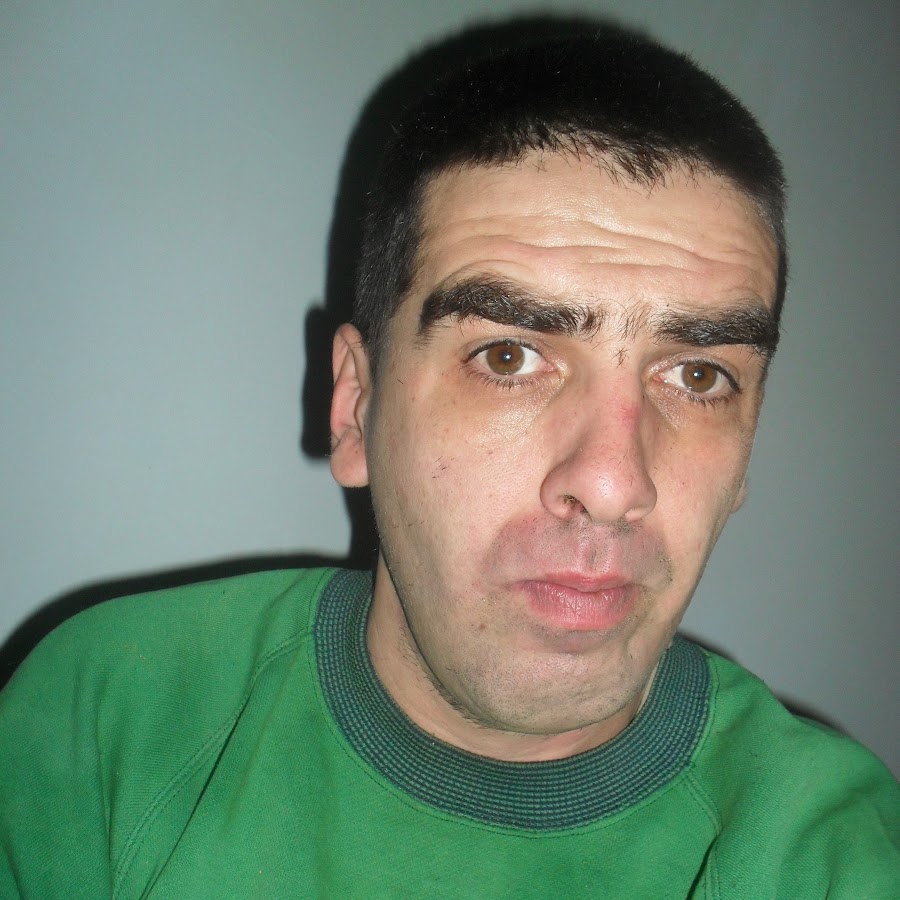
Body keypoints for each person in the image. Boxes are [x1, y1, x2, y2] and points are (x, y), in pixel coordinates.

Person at [0, 29, 896, 899]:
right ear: (356, 407)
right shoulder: (106, 716)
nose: (613, 483)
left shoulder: (831, 853)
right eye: (507, 356)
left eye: (699, 375)